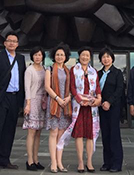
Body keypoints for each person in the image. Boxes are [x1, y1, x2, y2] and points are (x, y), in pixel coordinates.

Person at [0, 32, 26, 172]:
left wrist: (23, 101)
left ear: (17, 44)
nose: (11, 43)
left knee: (9, 130)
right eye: (9, 41)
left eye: (14, 41)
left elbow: (22, 80)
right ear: (5, 43)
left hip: (15, 98)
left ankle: (4, 159)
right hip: (1, 98)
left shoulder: (20, 59)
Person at [58, 47, 102, 173]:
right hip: (79, 106)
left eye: (87, 55)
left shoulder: (94, 71)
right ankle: (81, 162)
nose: (85, 57)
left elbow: (97, 87)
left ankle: (89, 161)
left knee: (90, 135)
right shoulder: (74, 70)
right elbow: (71, 86)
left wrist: (99, 98)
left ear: (90, 57)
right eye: (83, 55)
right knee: (79, 135)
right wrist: (79, 99)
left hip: (91, 107)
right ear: (79, 56)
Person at [45, 44, 73, 173]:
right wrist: (58, 99)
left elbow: (72, 88)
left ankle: (60, 162)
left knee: (61, 135)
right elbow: (47, 87)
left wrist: (68, 98)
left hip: (65, 105)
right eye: (57, 54)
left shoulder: (68, 71)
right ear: (53, 56)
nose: (60, 57)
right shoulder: (49, 69)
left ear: (66, 56)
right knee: (53, 133)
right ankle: (53, 162)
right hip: (54, 104)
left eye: (62, 54)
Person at [97, 48, 124, 173]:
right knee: (105, 135)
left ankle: (116, 163)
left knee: (114, 136)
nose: (106, 59)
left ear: (112, 58)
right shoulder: (98, 73)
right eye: (103, 57)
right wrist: (101, 102)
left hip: (113, 108)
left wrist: (109, 102)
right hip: (101, 108)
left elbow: (119, 90)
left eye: (108, 57)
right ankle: (107, 162)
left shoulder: (117, 73)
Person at [23, 46, 47, 171]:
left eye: (40, 55)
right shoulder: (29, 70)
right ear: (32, 56)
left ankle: (36, 160)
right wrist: (27, 104)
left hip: (41, 103)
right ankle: (30, 160)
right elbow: (27, 88)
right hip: (32, 101)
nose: (38, 57)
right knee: (31, 132)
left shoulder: (44, 69)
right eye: (36, 55)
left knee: (38, 132)